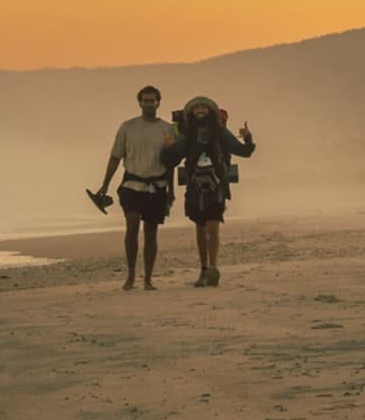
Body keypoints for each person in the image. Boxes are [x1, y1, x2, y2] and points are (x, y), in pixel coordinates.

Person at [161, 96, 255, 288]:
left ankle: (212, 267)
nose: (200, 110)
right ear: (192, 113)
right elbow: (171, 160)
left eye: (203, 107)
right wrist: (168, 148)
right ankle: (205, 268)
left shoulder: (220, 132)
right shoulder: (187, 134)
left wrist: (247, 137)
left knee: (212, 228)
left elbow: (244, 151)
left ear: (210, 111)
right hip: (195, 187)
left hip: (216, 187)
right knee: (200, 229)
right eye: (197, 108)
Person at [94, 85, 175, 291]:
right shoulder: (127, 127)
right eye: (145, 100)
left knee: (151, 231)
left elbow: (171, 163)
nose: (149, 103)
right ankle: (130, 276)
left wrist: (171, 192)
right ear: (139, 103)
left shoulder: (167, 129)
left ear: (158, 103)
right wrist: (105, 185)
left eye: (152, 100)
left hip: (157, 186)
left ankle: (148, 278)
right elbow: (115, 157)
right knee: (131, 227)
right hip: (131, 185)